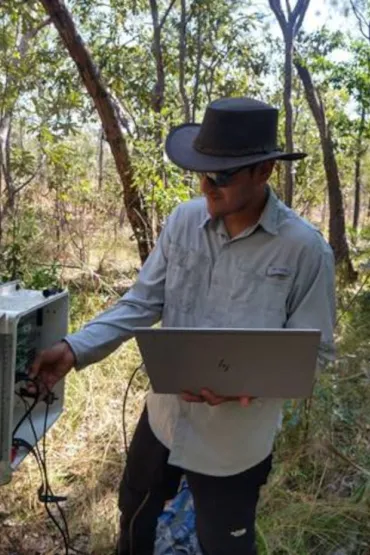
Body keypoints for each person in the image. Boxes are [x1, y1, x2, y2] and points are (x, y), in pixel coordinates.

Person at [30, 97, 336, 555]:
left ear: (265, 172)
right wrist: (75, 349)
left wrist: (241, 386)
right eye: (201, 172)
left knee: (224, 540)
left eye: (222, 175)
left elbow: (314, 354)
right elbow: (141, 301)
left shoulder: (304, 250)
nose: (206, 186)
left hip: (235, 439)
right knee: (134, 513)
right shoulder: (182, 222)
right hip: (165, 417)